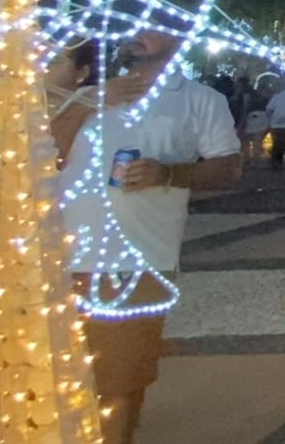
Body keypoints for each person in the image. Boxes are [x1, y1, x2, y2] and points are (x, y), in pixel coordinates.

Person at [52, 31, 242, 444]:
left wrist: (168, 173)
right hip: (52, 259)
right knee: (57, 382)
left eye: (151, 24)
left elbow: (227, 167)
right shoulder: (84, 91)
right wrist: (89, 102)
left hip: (133, 258)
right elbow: (45, 153)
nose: (135, 32)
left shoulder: (199, 99)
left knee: (118, 381)